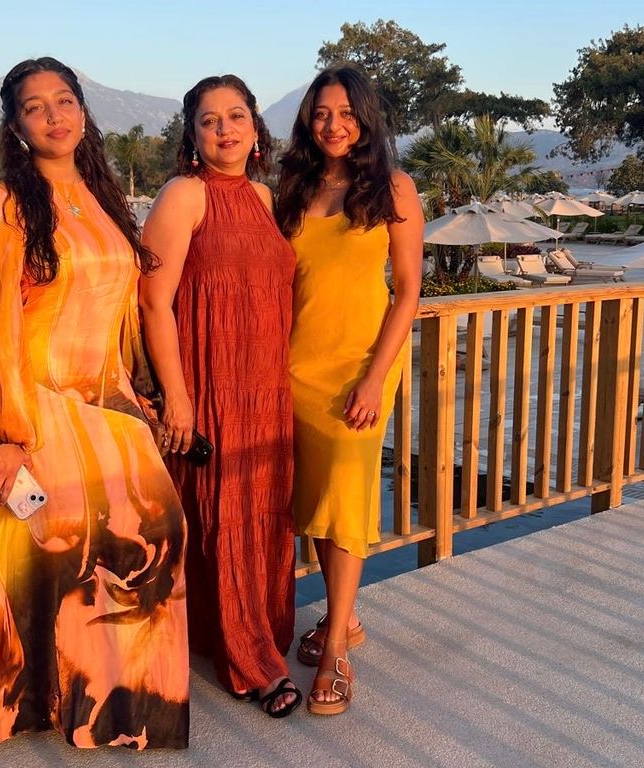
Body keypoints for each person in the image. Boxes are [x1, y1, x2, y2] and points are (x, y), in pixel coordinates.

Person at [0, 57, 189, 753]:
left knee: (150, 545)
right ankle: (31, 707)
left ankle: (123, 708)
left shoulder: (100, 195)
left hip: (110, 410)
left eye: (65, 100)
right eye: (36, 107)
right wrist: (0, 435)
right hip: (36, 416)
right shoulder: (3, 206)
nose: (55, 115)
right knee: (48, 562)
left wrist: (141, 400)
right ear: (15, 126)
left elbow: (117, 313)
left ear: (82, 110)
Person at [139, 75, 300, 718]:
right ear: (193, 135)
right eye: (210, 121)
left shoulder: (266, 197)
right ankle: (252, 663)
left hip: (268, 386)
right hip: (211, 384)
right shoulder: (184, 194)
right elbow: (154, 301)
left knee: (264, 517)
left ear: (256, 129)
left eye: (236, 116)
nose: (225, 129)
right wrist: (177, 398)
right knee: (227, 517)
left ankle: (236, 633)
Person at [276, 65, 423, 716]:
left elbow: (409, 290)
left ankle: (335, 643)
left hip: (360, 369)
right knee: (312, 494)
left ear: (365, 117)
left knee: (343, 491)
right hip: (294, 366)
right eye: (320, 113)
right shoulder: (293, 185)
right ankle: (345, 617)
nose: (333, 124)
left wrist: (374, 378)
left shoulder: (393, 188)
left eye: (345, 112)